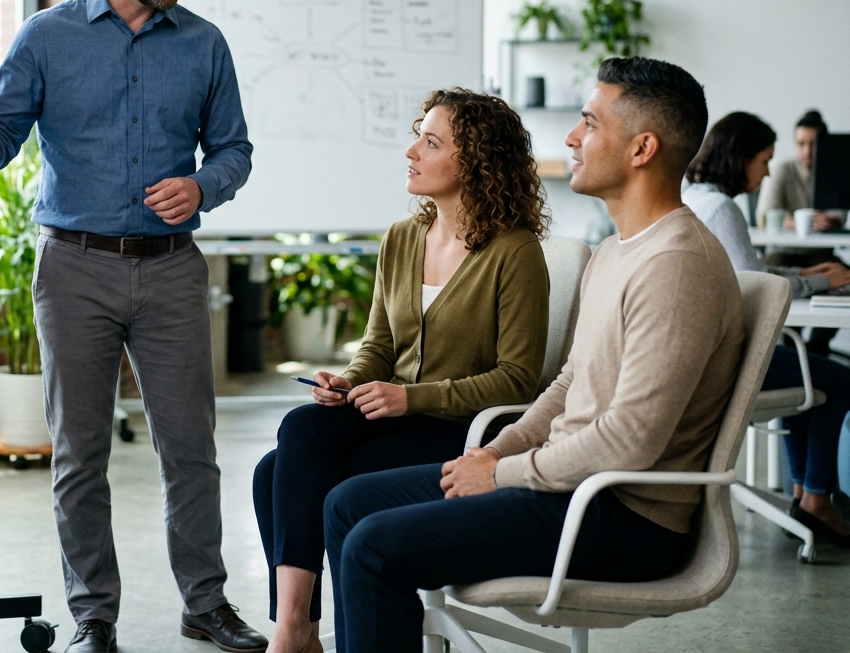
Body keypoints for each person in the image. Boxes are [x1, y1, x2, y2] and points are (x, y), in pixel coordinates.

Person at [0, 0, 266, 653]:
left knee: (191, 451)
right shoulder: (46, 36)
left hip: (170, 270)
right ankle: (92, 617)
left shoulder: (204, 44)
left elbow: (235, 149)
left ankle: (206, 604)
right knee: (79, 454)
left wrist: (203, 183)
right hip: (75, 269)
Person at [322, 56, 745, 653]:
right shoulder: (616, 251)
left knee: (373, 547)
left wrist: (498, 473)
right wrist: (497, 449)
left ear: (641, 148)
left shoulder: (675, 265)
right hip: (565, 485)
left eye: (590, 123)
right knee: (347, 503)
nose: (572, 137)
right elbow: (571, 382)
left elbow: (631, 440)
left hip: (621, 515)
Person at [254, 89, 551, 653]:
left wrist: (410, 399)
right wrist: (348, 381)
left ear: (476, 162)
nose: (411, 150)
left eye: (431, 142)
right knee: (297, 432)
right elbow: (378, 346)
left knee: (276, 474)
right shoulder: (402, 237)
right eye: (419, 134)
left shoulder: (515, 253)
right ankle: (296, 631)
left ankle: (296, 636)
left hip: (459, 431)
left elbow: (518, 379)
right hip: (393, 419)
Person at [683, 112, 850, 545]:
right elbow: (756, 288)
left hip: (706, 350)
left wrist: (806, 271)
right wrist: (821, 280)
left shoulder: (698, 197)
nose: (768, 170)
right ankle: (816, 498)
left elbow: (748, 271)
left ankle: (804, 492)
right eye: (764, 160)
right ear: (739, 158)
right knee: (840, 380)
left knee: (810, 377)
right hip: (728, 356)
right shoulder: (720, 208)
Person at [755, 109, 847, 354]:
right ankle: (788, 344)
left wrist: (828, 220)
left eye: (813, 144)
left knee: (845, 278)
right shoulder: (782, 169)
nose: (807, 151)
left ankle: (817, 345)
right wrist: (800, 221)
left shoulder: (834, 170)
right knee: (772, 278)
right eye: (801, 144)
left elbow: (840, 214)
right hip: (783, 252)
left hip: (820, 254)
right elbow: (765, 215)